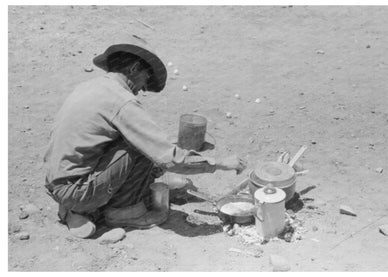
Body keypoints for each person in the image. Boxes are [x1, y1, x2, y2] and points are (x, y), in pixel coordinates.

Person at [43, 36, 247, 239]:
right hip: (78, 191)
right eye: (145, 79)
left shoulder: (90, 87)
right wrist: (219, 163)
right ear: (133, 69)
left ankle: (76, 210)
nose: (142, 88)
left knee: (138, 141)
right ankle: (121, 212)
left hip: (56, 183)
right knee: (140, 145)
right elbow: (168, 158)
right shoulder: (121, 101)